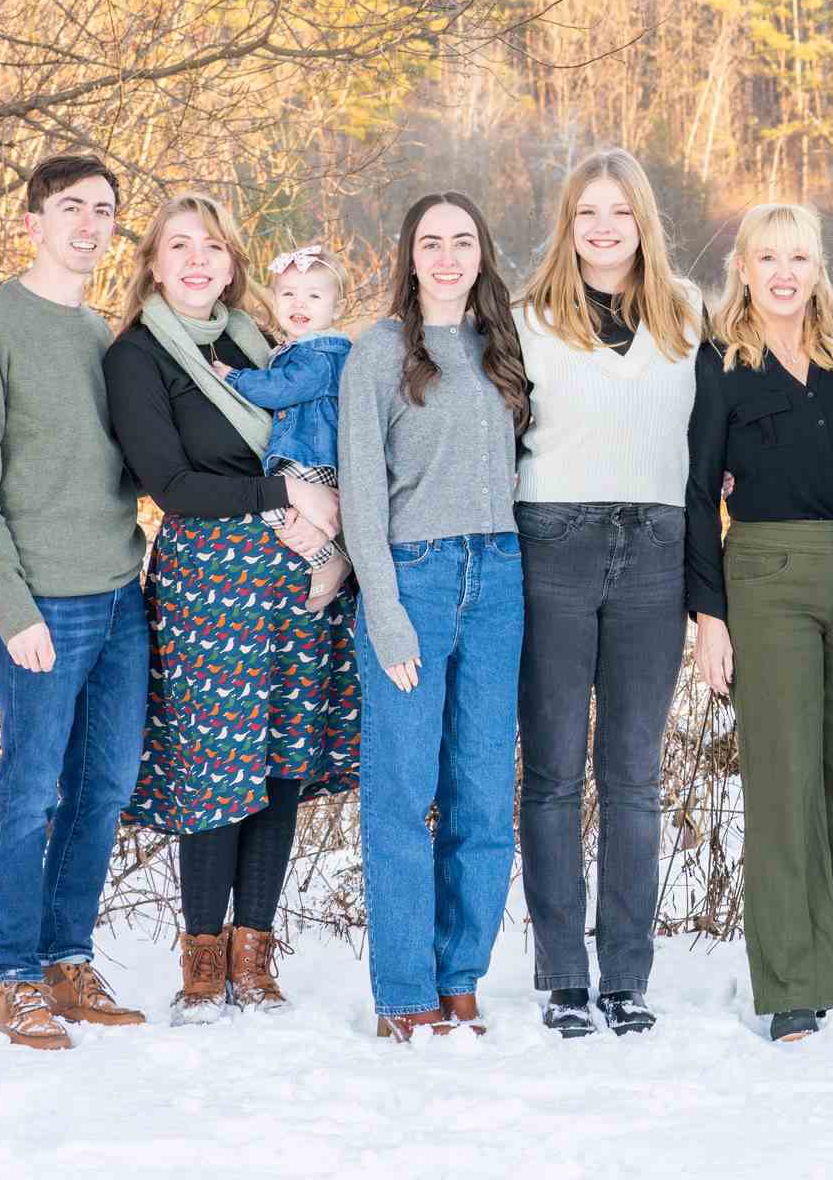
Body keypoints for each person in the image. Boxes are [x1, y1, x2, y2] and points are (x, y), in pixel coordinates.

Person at [104, 193, 360, 1024]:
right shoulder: (140, 357)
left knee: (281, 763)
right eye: (178, 246)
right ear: (151, 261)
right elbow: (169, 484)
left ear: (232, 262)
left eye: (212, 246)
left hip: (297, 578)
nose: (196, 260)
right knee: (216, 769)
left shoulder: (265, 343)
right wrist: (282, 490)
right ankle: (203, 967)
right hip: (210, 588)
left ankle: (256, 955)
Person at [0, 151, 151, 1049]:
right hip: (44, 607)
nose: (90, 225)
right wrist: (12, 608)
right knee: (29, 790)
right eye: (72, 208)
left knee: (101, 787)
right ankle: (11, 977)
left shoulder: (101, 335)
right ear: (32, 222)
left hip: (120, 595)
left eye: (104, 211)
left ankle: (67, 960)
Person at [513, 152, 705, 1039]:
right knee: (553, 773)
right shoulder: (524, 318)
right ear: (568, 221)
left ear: (643, 223)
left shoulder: (689, 313)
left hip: (657, 552)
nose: (602, 227)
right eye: (587, 212)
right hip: (553, 543)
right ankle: (562, 976)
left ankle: (626, 976)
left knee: (632, 776)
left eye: (619, 212)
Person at [686, 202, 833, 1044]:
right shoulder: (718, 368)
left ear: (818, 267)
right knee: (782, 779)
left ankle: (831, 968)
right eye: (767, 256)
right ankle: (789, 987)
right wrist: (708, 615)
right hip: (764, 578)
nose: (783, 272)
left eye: (798, 256)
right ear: (742, 267)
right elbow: (698, 494)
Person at [338, 192, 529, 1042]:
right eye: (430, 243)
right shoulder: (376, 355)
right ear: (408, 257)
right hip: (412, 580)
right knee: (403, 795)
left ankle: (461, 979)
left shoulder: (505, 349)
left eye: (461, 242)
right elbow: (361, 496)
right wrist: (382, 608)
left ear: (481, 254)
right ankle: (405, 992)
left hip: (499, 579)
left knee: (484, 798)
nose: (447, 257)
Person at [217, 243, 355, 613]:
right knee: (282, 506)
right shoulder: (293, 348)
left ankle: (328, 558)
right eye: (288, 294)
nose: (300, 304)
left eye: (313, 295)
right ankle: (326, 551)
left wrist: (235, 379)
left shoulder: (322, 355)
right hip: (304, 454)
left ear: (336, 307)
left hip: (312, 456)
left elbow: (283, 388)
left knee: (271, 501)